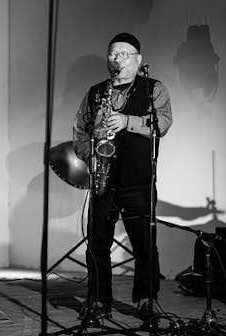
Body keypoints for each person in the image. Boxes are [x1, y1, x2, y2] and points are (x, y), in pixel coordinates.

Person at [72, 33, 172, 322]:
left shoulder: (155, 89)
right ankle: (99, 301)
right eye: (112, 54)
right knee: (98, 243)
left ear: (138, 59)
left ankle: (145, 300)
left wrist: (128, 121)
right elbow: (79, 130)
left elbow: (163, 123)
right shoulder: (95, 93)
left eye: (124, 54)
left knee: (144, 245)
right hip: (104, 178)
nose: (116, 59)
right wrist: (88, 154)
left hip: (138, 178)